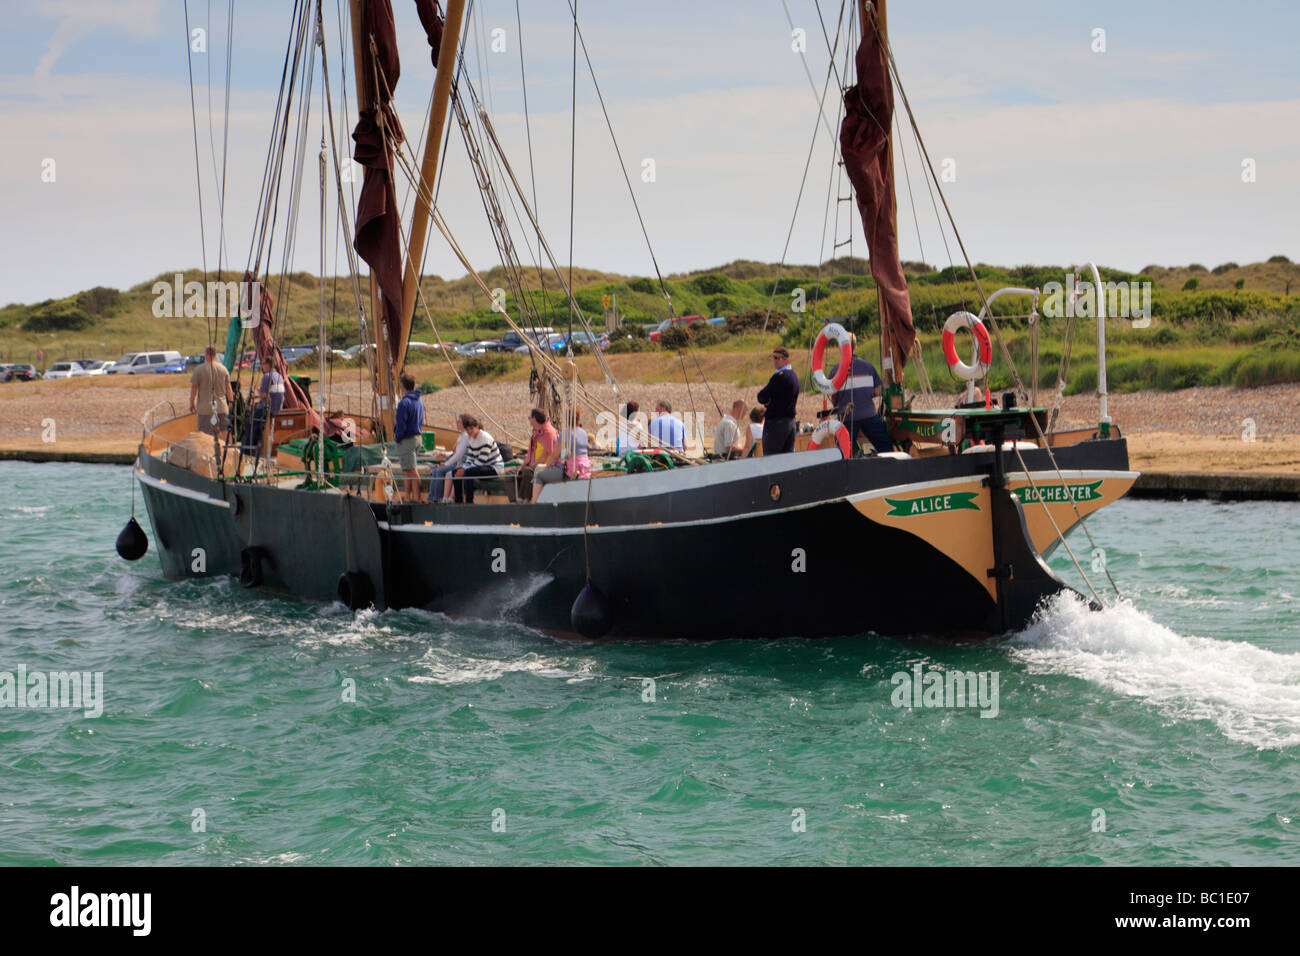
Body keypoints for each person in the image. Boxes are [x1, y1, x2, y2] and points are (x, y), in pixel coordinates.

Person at [829, 333, 891, 454]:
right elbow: (876, 391)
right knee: (885, 446)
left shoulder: (835, 370)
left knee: (842, 452)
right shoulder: (868, 367)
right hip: (869, 415)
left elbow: (834, 396)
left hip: (847, 417)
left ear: (841, 347)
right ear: (855, 346)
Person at [532, 408, 592, 502]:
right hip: (583, 469)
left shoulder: (565, 434)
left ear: (567, 419)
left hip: (568, 471)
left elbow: (554, 455)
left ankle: (533, 503)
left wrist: (547, 467)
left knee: (539, 475)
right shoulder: (584, 433)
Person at [757, 346, 799, 455]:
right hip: (790, 423)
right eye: (774, 358)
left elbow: (762, 397)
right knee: (787, 460)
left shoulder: (780, 377)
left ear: (786, 359)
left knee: (771, 460)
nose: (775, 361)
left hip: (776, 424)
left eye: (778, 358)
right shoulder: (794, 376)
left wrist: (767, 402)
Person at [453, 416, 504, 503]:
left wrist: (465, 470)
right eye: (467, 429)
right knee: (455, 472)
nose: (469, 431)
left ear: (477, 427)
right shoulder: (471, 439)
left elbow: (481, 460)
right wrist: (462, 468)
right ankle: (458, 501)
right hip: (481, 466)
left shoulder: (486, 438)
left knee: (469, 472)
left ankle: (469, 501)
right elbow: (470, 458)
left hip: (493, 468)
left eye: (471, 429)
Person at [189, 345, 233, 438]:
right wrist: (231, 401)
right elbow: (228, 387)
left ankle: (208, 452)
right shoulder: (223, 369)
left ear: (206, 354)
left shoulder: (199, 370)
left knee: (205, 435)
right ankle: (229, 450)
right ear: (215, 354)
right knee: (225, 431)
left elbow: (194, 388)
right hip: (221, 406)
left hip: (205, 409)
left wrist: (192, 403)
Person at [516, 408, 559, 502]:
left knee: (527, 472)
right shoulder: (536, 433)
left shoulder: (548, 433)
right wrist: (521, 466)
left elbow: (544, 457)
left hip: (544, 464)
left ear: (534, 419)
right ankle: (513, 501)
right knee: (512, 473)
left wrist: (531, 465)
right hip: (534, 463)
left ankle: (525, 499)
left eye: (529, 418)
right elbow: (529, 455)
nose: (528, 420)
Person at [394, 372, 425, 502]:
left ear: (402, 386)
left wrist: (397, 437)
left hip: (407, 439)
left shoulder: (404, 403)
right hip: (417, 437)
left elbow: (401, 424)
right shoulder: (419, 401)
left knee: (411, 470)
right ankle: (407, 496)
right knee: (407, 469)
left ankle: (417, 498)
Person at [428, 413, 469, 502]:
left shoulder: (465, 437)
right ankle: (432, 497)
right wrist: (445, 454)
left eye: (459, 422)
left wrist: (446, 464)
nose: (457, 423)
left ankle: (438, 498)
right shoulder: (461, 436)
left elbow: (459, 455)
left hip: (459, 464)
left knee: (439, 471)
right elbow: (455, 452)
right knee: (435, 471)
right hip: (455, 462)